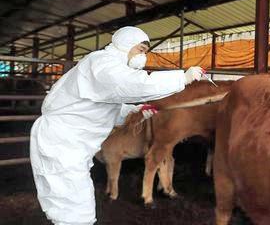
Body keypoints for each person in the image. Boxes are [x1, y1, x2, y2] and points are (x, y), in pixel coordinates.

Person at [29, 26, 204, 225]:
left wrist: (134, 111)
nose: (142, 57)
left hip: (72, 143)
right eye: (141, 50)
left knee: (70, 204)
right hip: (63, 141)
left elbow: (105, 107)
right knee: (75, 210)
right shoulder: (102, 63)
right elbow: (133, 85)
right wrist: (182, 78)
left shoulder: (107, 71)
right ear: (126, 44)